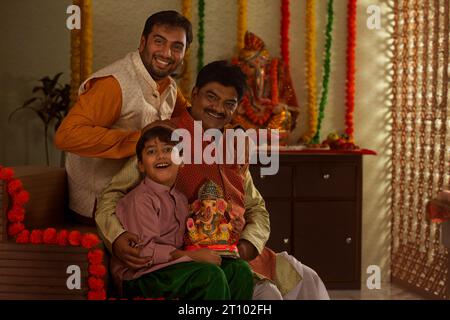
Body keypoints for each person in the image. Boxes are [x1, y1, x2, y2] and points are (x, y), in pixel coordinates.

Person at [96, 60, 329, 300]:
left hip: (236, 253)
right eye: (211, 97)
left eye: (229, 103)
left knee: (307, 278)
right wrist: (116, 237)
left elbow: (256, 207)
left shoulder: (235, 145)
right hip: (186, 257)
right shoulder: (164, 137)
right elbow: (112, 194)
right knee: (268, 294)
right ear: (195, 94)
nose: (218, 108)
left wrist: (248, 244)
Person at [54, 10, 193, 221]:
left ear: (184, 54)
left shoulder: (169, 87)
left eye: (177, 47)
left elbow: (192, 121)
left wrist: (234, 135)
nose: (166, 53)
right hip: (98, 207)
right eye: (159, 42)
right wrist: (140, 140)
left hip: (141, 203)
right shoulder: (114, 84)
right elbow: (66, 135)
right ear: (143, 42)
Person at [112, 120, 253, 299]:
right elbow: (144, 253)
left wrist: (231, 229)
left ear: (182, 161)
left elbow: (192, 236)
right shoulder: (141, 199)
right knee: (209, 276)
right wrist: (193, 257)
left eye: (168, 150)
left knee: (239, 270)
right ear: (141, 165)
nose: (161, 156)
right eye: (151, 151)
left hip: (174, 267)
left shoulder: (179, 199)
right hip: (141, 275)